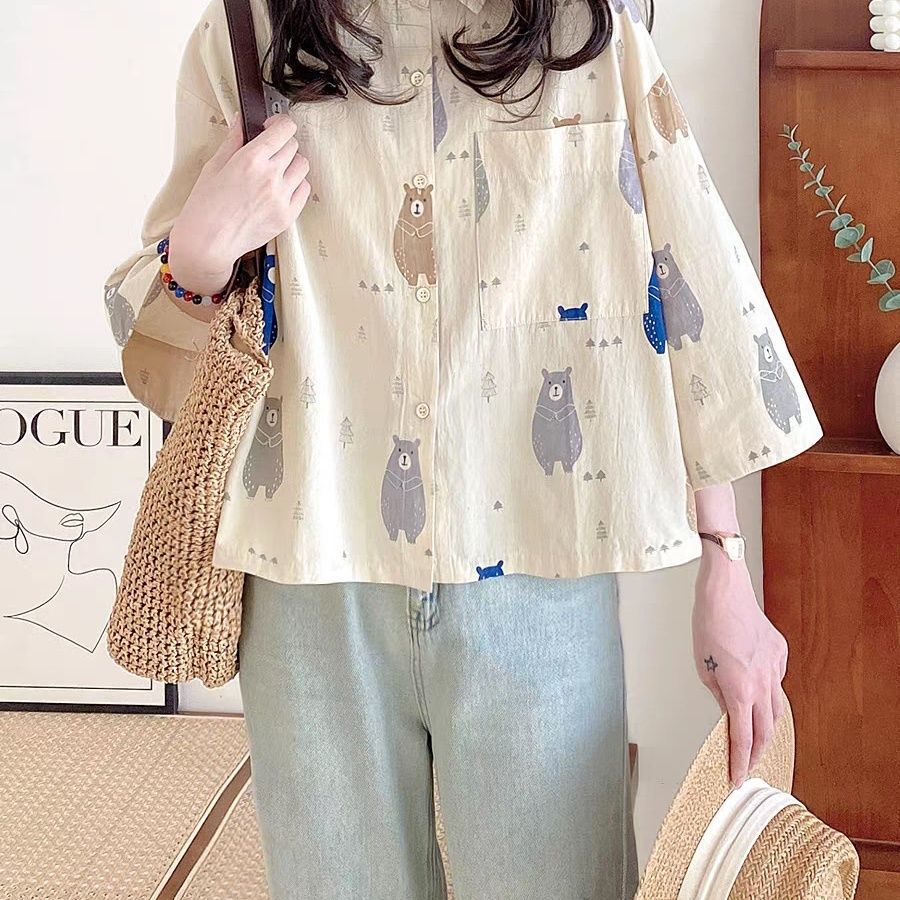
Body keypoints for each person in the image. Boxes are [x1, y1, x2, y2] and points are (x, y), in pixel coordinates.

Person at [101, 0, 823, 896]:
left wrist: (726, 564)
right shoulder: (247, 36)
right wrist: (200, 256)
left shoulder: (587, 40)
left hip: (538, 573)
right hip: (311, 581)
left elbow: (686, 286)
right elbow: (164, 335)